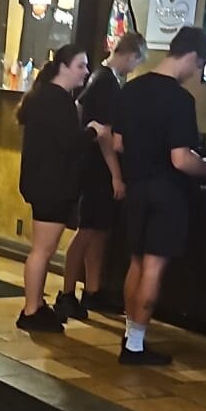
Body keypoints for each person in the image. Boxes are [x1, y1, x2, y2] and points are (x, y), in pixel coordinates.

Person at [114, 26, 206, 365]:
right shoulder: (180, 100)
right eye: (198, 67)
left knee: (135, 263)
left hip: (135, 188)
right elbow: (181, 159)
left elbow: (118, 143)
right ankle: (136, 346)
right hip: (166, 193)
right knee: (154, 267)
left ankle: (130, 336)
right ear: (193, 57)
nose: (195, 74)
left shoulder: (131, 89)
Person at [56, 32, 148, 321]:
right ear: (131, 55)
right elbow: (105, 135)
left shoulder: (100, 78)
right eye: (137, 62)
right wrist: (116, 175)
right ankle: (67, 293)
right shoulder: (107, 82)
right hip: (97, 169)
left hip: (93, 166)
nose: (134, 68)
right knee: (87, 231)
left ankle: (92, 290)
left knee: (100, 231)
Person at [16, 44, 108, 333]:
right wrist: (93, 131)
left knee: (42, 249)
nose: (86, 71)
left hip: (43, 182)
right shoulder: (57, 100)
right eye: (81, 65)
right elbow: (68, 143)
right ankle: (31, 310)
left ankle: (36, 305)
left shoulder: (46, 97)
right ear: (64, 67)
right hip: (51, 184)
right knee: (42, 250)